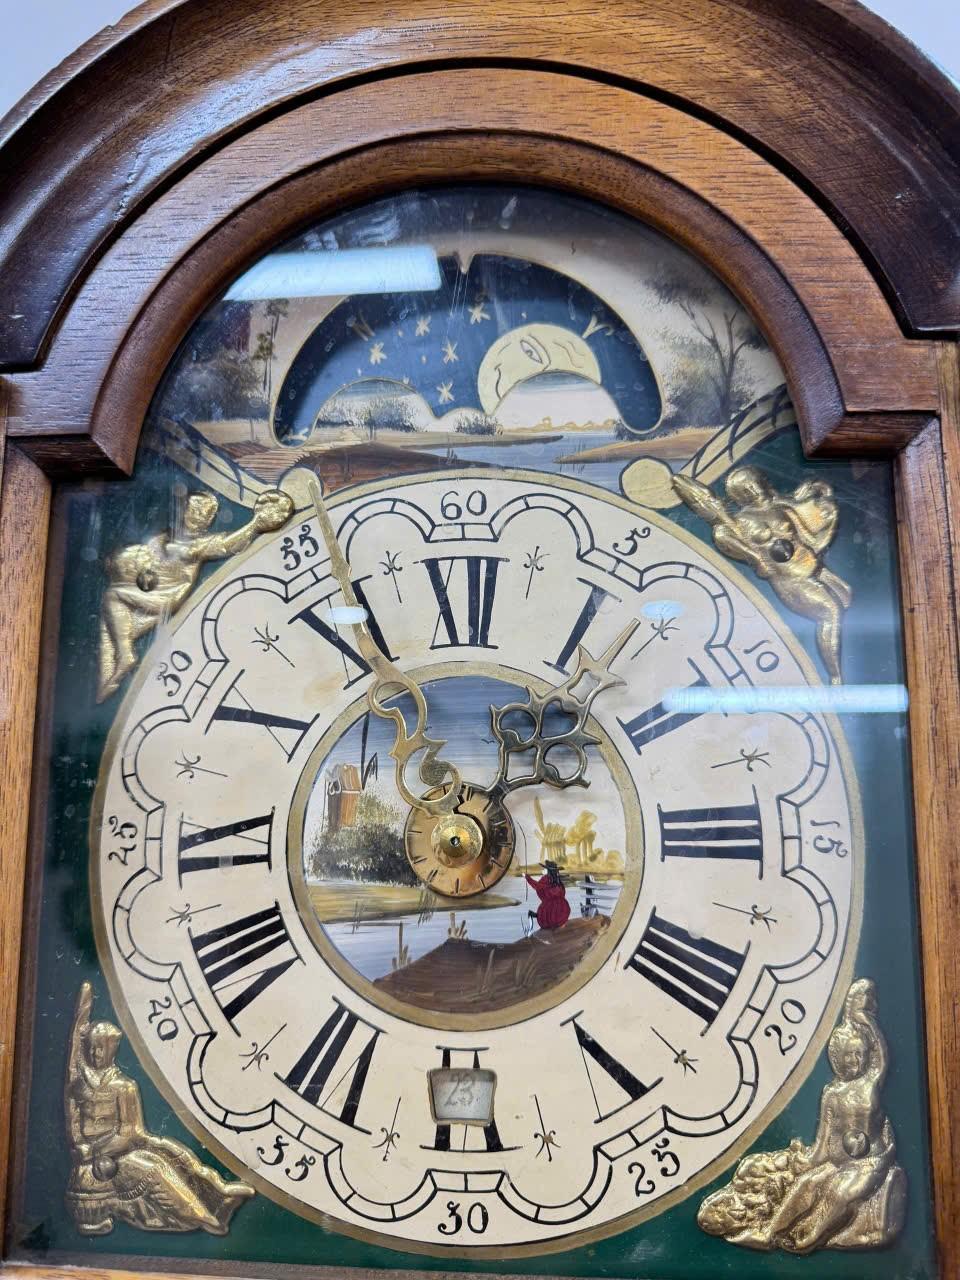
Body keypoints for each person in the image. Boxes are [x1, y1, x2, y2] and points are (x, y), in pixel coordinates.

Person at [65, 983, 253, 1235]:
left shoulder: (124, 1087)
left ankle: (219, 1194)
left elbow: (129, 1133)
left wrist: (98, 1148)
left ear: (111, 1050)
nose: (95, 1053)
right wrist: (83, 1147)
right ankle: (205, 1218)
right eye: (92, 1047)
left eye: (101, 1048)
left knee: (173, 1154)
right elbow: (73, 1119)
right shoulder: (80, 1086)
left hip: (117, 1149)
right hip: (107, 1160)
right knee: (155, 1170)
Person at [98, 488, 293, 700]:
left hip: (167, 600)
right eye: (193, 509)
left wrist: (255, 525)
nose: (196, 515)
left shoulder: (199, 545)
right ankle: (106, 684)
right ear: (182, 511)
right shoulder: (162, 539)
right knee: (109, 629)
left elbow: (226, 546)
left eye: (203, 512)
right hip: (147, 598)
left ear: (209, 519)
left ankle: (126, 655)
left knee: (113, 596)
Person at [673, 467, 851, 684]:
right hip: (789, 581)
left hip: (813, 568)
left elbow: (813, 542)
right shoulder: (740, 522)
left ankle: (836, 677)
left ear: (761, 482)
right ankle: (835, 677)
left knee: (843, 599)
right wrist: (755, 557)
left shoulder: (782, 508)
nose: (752, 490)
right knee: (830, 612)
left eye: (753, 483)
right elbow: (722, 536)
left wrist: (830, 520)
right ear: (739, 497)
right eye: (745, 489)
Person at [526, 861, 571, 930]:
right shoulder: (557, 879)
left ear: (548, 871)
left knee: (550, 919)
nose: (543, 870)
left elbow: (537, 886)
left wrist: (528, 878)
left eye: (544, 869)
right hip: (562, 906)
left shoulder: (545, 879)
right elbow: (562, 892)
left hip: (550, 907)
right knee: (557, 920)